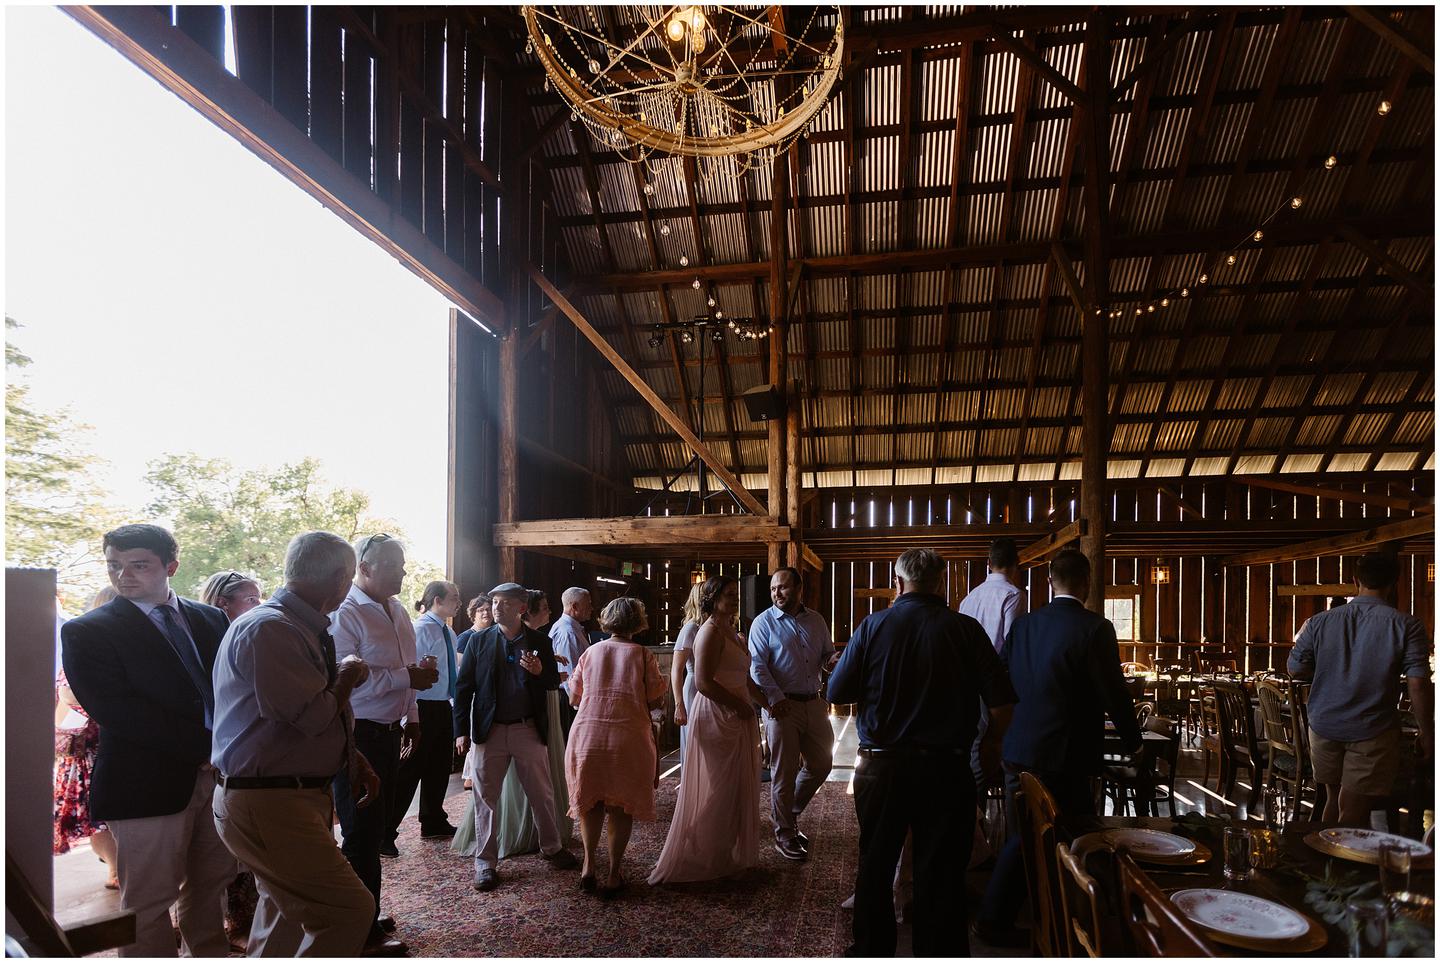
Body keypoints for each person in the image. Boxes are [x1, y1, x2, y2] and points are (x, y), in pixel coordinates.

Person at [828, 548, 1016, 958]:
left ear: (898, 583)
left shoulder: (873, 627)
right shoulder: (965, 630)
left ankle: (872, 951)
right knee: (942, 872)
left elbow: (836, 692)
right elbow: (1003, 705)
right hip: (947, 771)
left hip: (882, 766)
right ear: (940, 583)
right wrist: (991, 744)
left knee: (876, 864)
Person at [60, 524, 235, 957]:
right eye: (114, 565)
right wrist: (208, 748)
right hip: (144, 782)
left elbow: (229, 690)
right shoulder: (88, 630)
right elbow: (117, 711)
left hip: (218, 777)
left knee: (212, 887)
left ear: (171, 566)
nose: (124, 576)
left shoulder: (208, 617)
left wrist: (230, 749)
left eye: (139, 565)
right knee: (147, 903)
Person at [210, 531, 380, 957]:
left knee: (283, 917)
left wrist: (350, 757)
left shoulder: (296, 626)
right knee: (349, 911)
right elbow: (313, 714)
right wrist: (350, 672)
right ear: (342, 577)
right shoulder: (271, 629)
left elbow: (299, 717)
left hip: (281, 797)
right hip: (269, 802)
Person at [975, 548, 1140, 948]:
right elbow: (1113, 692)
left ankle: (1038, 911)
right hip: (1064, 751)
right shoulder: (1094, 629)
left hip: (1020, 744)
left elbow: (1002, 677)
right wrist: (1132, 739)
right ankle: (1028, 918)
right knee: (1069, 834)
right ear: (1085, 583)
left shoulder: (1026, 625)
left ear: (1050, 582)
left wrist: (1001, 730)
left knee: (1024, 833)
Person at [329, 533, 438, 955]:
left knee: (378, 827)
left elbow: (407, 668)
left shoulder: (395, 610)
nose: (404, 572)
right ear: (366, 568)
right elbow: (346, 679)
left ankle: (365, 909)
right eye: (395, 565)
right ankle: (359, 929)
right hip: (359, 734)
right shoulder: (346, 613)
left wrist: (412, 716)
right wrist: (405, 680)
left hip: (391, 730)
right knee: (359, 833)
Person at [1288, 552, 1433, 827]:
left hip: (1324, 724)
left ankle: (1322, 867)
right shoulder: (1406, 625)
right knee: (1354, 810)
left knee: (1333, 800)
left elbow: (1295, 669)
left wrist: (1328, 669)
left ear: (1356, 581)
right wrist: (1427, 731)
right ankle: (1340, 868)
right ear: (1395, 582)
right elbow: (1418, 682)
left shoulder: (1320, 622)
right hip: (1372, 729)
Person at [453, 582, 580, 892]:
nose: (496, 607)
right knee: (486, 798)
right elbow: (463, 687)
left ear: (521, 608)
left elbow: (552, 681)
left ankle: (551, 848)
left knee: (542, 793)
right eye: (495, 602)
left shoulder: (539, 641)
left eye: (505, 603)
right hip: (490, 730)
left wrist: (539, 671)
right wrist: (460, 732)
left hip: (527, 728)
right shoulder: (478, 641)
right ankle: (486, 863)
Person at [650, 575, 763, 884]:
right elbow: (703, 682)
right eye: (728, 594)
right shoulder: (709, 632)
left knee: (736, 785)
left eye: (736, 594)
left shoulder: (733, 632)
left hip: (737, 712)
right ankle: (693, 836)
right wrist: (738, 706)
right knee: (722, 785)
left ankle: (720, 851)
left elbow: (744, 678)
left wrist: (764, 703)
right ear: (713, 599)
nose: (735, 599)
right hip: (716, 713)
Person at [565, 597, 667, 896]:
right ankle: (613, 873)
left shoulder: (591, 652)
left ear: (607, 620)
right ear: (638, 622)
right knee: (621, 807)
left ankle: (588, 867)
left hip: (588, 735)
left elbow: (574, 697)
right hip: (627, 736)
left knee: (591, 803)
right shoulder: (642, 655)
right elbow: (656, 698)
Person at [748, 567, 837, 861]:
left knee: (822, 763)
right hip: (781, 706)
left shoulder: (817, 620)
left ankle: (789, 814)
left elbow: (825, 656)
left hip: (814, 702)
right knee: (783, 772)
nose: (777, 593)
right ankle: (784, 833)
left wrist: (832, 661)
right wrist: (774, 700)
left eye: (784, 588)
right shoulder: (763, 623)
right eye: (774, 589)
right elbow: (757, 667)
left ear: (800, 590)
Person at [201, 570, 266, 950]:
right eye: (252, 599)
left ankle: (247, 922)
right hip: (214, 754)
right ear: (223, 603)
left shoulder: (253, 637)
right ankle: (231, 924)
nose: (260, 605)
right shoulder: (211, 639)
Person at [53, 587, 120, 890]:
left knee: (103, 816)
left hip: (102, 746)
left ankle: (117, 867)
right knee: (98, 817)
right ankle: (116, 868)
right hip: (90, 748)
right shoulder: (83, 644)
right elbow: (67, 693)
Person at [388, 580, 462, 845]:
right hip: (422, 705)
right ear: (437, 600)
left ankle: (432, 820)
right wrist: (411, 714)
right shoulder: (420, 629)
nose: (458, 602)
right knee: (411, 769)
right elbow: (411, 669)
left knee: (440, 766)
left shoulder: (449, 633)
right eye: (453, 598)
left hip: (443, 703)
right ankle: (387, 829)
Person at [958, 537, 1028, 794]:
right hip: (994, 681)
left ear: (989, 563)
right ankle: (975, 814)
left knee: (972, 745)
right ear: (1016, 564)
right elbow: (1012, 642)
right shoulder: (1013, 595)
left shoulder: (970, 597)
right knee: (993, 747)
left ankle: (972, 812)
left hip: (965, 680)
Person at [550, 587, 594, 739]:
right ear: (574, 606)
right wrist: (578, 705)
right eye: (588, 604)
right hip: (570, 700)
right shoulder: (567, 632)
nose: (592, 608)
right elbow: (570, 671)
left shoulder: (574, 629)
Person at [670, 583, 705, 768]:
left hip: (710, 687)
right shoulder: (691, 628)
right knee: (695, 740)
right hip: (693, 688)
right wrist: (679, 705)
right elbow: (676, 669)